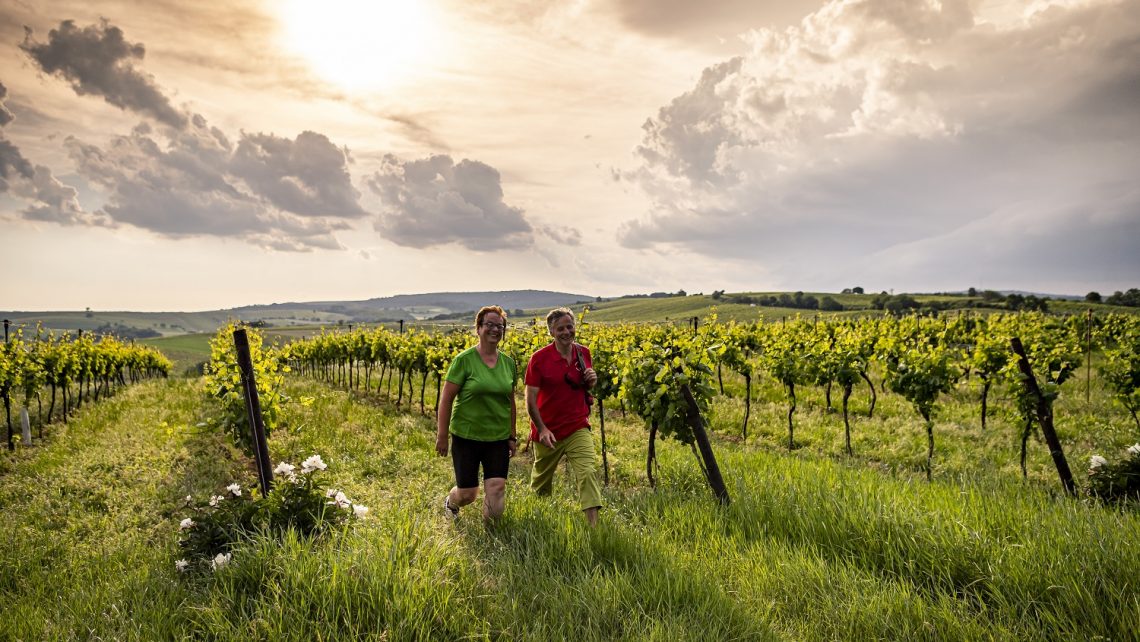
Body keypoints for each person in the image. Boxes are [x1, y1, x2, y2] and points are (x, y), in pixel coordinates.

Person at [436, 306, 517, 520]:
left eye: (500, 326)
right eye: (489, 324)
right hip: (467, 436)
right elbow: (446, 400)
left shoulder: (508, 363)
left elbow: (510, 401)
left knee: (497, 487)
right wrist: (442, 436)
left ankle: (493, 540)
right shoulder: (464, 360)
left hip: (498, 437)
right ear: (478, 328)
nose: (495, 329)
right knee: (467, 494)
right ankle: (451, 502)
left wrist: (512, 435)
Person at [526, 307, 602, 526]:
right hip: (547, 429)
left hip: (577, 425)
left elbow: (585, 386)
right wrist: (541, 429)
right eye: (560, 328)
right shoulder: (539, 359)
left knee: (587, 472)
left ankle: (594, 530)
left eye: (570, 326)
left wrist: (592, 380)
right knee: (541, 484)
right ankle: (538, 523)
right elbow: (530, 400)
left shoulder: (583, 353)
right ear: (551, 331)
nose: (566, 332)